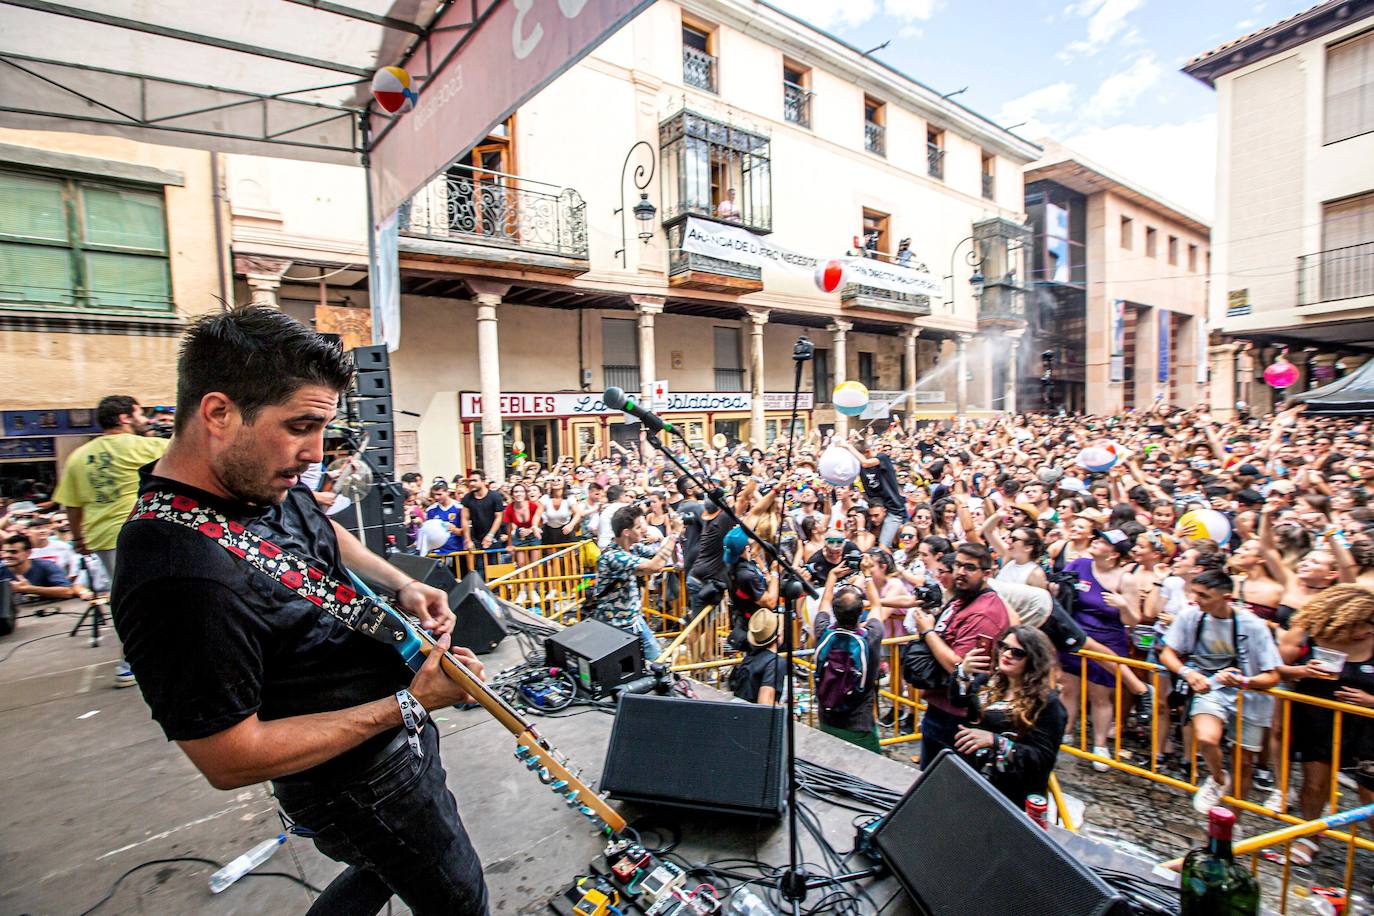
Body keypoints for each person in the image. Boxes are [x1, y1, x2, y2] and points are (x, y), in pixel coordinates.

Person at [111, 306, 489, 914]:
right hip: (355, 786)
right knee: (459, 895)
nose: (314, 453)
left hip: (390, 745)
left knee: (391, 869)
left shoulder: (256, 476)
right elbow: (229, 759)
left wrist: (401, 584)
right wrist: (410, 703)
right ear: (218, 412)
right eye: (300, 426)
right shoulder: (176, 575)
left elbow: (316, 533)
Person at [54, 393, 169, 686]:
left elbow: (72, 505)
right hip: (143, 532)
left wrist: (78, 538)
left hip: (103, 538)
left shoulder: (78, 457)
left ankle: (138, 658)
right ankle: (131, 662)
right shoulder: (149, 446)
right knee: (150, 599)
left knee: (129, 598)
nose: (146, 419)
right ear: (124, 418)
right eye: (140, 413)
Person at [1160, 568, 1282, 815]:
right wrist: (1189, 673)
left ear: (1226, 598)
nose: (1197, 600)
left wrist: (1244, 681)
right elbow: (1167, 653)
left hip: (1250, 696)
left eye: (1204, 596)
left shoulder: (1254, 626)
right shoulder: (1191, 616)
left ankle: (1231, 820)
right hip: (1210, 688)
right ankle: (1217, 778)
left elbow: (1273, 675)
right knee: (1206, 737)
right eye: (1195, 594)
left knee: (1244, 763)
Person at [1275, 584, 1374, 865]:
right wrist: (1302, 671)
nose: (1369, 630)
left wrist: (1370, 700)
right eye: (1365, 624)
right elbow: (1271, 667)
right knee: (1315, 783)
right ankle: (1309, 835)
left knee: (1369, 793)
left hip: (1366, 729)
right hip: (1317, 721)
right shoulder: (1307, 632)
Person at [909, 543, 1011, 767]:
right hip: (940, 707)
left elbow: (959, 666)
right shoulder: (963, 598)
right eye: (958, 565)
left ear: (987, 573)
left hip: (957, 716)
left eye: (969, 567)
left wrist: (927, 631)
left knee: (949, 785)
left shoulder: (985, 613)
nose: (961, 572)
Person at [953, 626, 1068, 808]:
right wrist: (963, 673)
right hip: (974, 780)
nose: (1006, 654)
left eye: (1017, 653)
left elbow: (1042, 759)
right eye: (1003, 647)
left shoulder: (1048, 704)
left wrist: (995, 741)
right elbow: (958, 701)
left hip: (1013, 795)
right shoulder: (989, 682)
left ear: (1033, 660)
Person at [812, 559, 891, 751]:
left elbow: (824, 604)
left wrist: (831, 577)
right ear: (861, 612)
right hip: (859, 722)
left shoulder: (823, 632)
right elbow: (877, 606)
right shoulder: (871, 636)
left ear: (835, 612)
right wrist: (867, 575)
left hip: (828, 717)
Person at [592, 504, 680, 661]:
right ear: (626, 532)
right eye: (639, 527)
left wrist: (672, 539)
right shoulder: (613, 557)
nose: (644, 530)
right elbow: (655, 566)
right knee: (629, 670)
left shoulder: (633, 548)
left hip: (634, 620)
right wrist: (674, 535)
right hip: (616, 627)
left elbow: (659, 556)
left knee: (655, 661)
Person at [845, 438, 906, 548]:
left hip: (893, 510)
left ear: (867, 452)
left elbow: (865, 463)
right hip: (874, 509)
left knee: (883, 545)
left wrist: (849, 446)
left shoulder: (882, 458)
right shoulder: (859, 465)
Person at [729, 608, 785, 705]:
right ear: (779, 635)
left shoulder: (749, 658)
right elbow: (765, 704)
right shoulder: (775, 663)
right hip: (755, 717)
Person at [0, 533, 77, 601]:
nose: (7, 555)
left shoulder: (46, 566)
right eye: (5, 552)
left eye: (13, 552)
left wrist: (29, 589)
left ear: (28, 553)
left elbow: (68, 592)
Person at [461, 469, 505, 574]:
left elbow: (498, 517)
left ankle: (495, 591)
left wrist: (490, 535)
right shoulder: (467, 498)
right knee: (479, 570)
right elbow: (464, 519)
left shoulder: (495, 496)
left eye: (475, 481)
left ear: (483, 481)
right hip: (476, 539)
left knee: (495, 571)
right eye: (471, 481)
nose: (472, 484)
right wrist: (467, 540)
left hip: (494, 539)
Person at [423, 480, 463, 555]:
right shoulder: (431, 510)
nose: (436, 497)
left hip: (457, 551)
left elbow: (465, 531)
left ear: (447, 492)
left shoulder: (459, 508)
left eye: (439, 494)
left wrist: (454, 529)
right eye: (434, 494)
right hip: (438, 553)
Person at [539, 477, 582, 546]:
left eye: (559, 480)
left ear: (564, 484)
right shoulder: (545, 498)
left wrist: (571, 525)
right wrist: (535, 526)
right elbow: (537, 514)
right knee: (551, 555)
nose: (556, 481)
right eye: (553, 480)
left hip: (566, 529)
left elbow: (577, 513)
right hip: (549, 531)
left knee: (570, 555)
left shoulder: (570, 498)